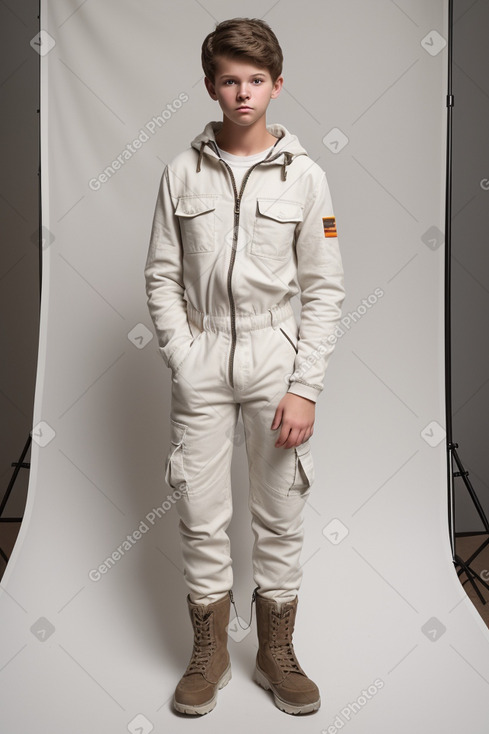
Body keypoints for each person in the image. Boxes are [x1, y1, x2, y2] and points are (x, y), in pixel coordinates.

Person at [144, 16, 346, 717]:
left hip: (274, 361)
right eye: (229, 79)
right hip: (203, 358)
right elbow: (161, 277)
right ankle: (208, 657)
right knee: (201, 516)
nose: (242, 92)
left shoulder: (307, 177)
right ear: (209, 87)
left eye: (255, 80)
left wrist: (304, 386)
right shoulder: (180, 171)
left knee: (280, 514)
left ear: (277, 85)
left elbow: (324, 288)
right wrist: (181, 354)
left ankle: (275, 653)